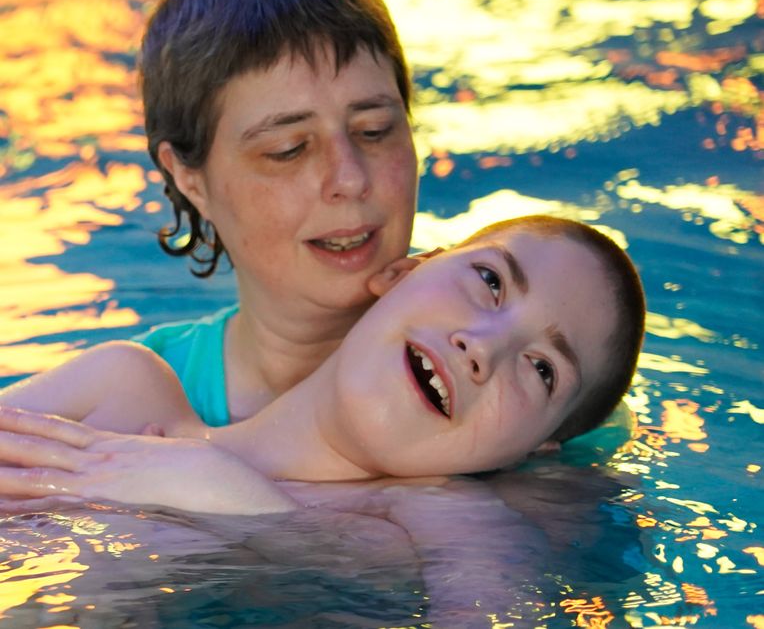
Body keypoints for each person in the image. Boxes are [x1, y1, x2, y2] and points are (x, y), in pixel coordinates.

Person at [0, 215, 645, 513]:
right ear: (403, 273)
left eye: (541, 371)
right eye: (490, 281)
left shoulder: (442, 527)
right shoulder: (121, 387)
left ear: (534, 450)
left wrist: (236, 502)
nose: (483, 347)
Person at [131, 0, 418, 425]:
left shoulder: (505, 371)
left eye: (374, 131)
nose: (349, 178)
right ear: (189, 178)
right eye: (288, 150)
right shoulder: (125, 402)